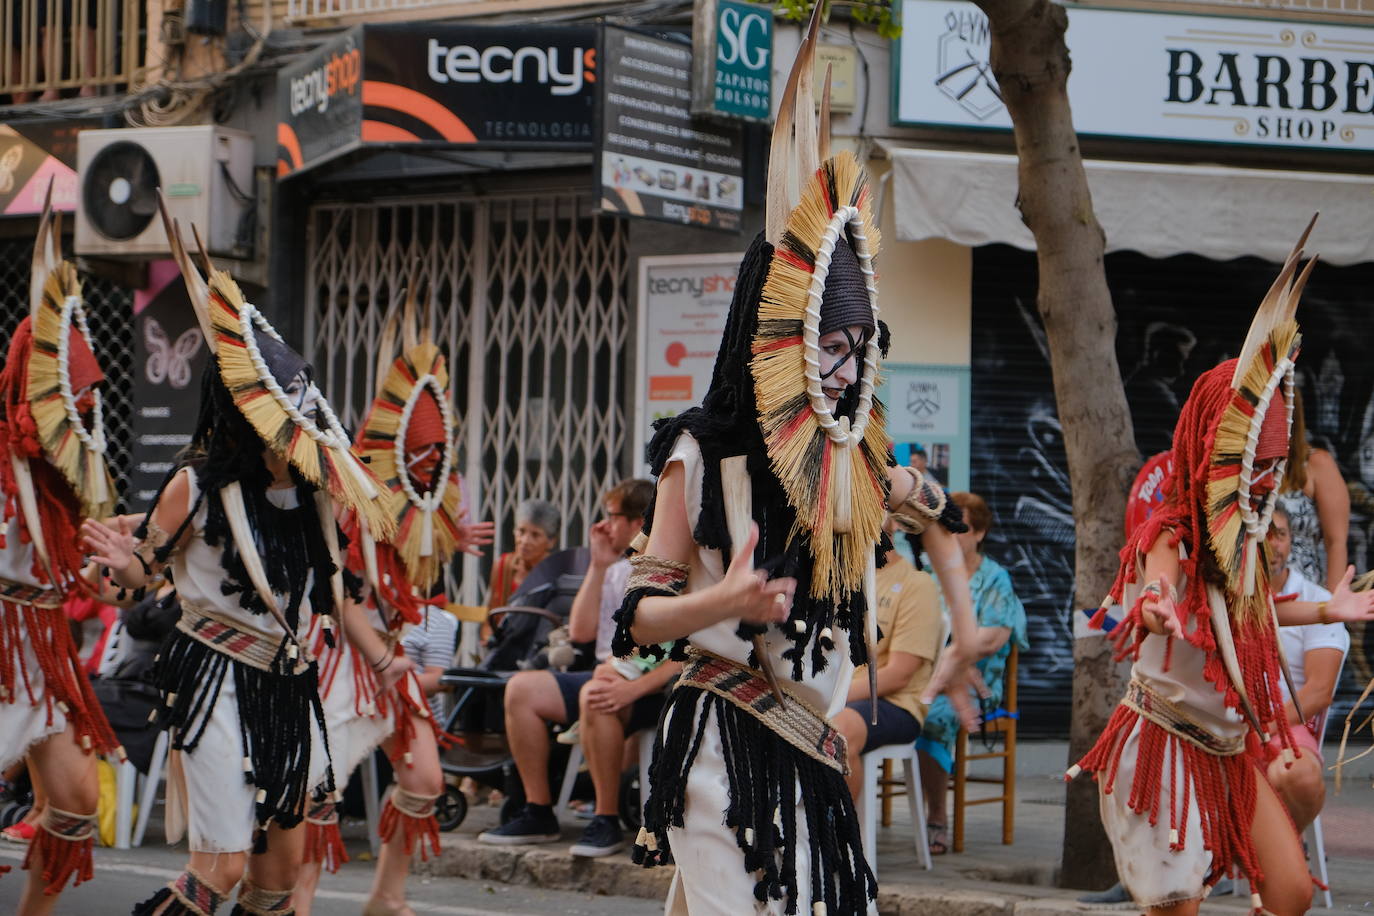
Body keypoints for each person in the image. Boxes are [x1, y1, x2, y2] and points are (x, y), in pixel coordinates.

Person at [610, 20, 979, 913]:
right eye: (832, 345)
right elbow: (637, 619)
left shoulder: (857, 464)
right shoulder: (699, 455)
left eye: (860, 348)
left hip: (812, 755)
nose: (847, 368)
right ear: (777, 343)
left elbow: (945, 519)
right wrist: (724, 604)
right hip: (718, 749)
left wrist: (960, 627)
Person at [84, 214, 399, 916]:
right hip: (215, 676)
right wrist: (122, 567)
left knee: (276, 882)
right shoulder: (196, 485)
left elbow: (336, 586)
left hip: (287, 686)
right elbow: (143, 573)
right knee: (220, 869)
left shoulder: (316, 494)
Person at [1069, 230, 1374, 916]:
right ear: (1215, 457)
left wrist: (1332, 610)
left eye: (1273, 469)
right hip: (1163, 743)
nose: (1267, 484)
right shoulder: (1172, 533)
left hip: (1229, 750)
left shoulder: (1247, 545)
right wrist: (1154, 603)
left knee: (1291, 894)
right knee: (1177, 907)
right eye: (1254, 469)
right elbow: (1158, 582)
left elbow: (1256, 616)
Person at [294, 302, 492, 916]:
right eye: (422, 452)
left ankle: (386, 895)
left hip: (387, 660)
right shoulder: (353, 502)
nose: (433, 465)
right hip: (339, 656)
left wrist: (453, 536)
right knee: (317, 791)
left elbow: (406, 571)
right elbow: (338, 591)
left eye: (440, 455)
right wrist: (380, 657)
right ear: (397, 447)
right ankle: (291, 901)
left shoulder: (422, 511)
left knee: (426, 782)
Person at [0, 202, 123, 915]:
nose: (83, 406)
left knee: (75, 806)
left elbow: (75, 578)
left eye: (86, 397)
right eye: (71, 396)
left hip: (46, 652)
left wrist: (112, 577)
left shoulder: (64, 486)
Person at [477, 478, 663, 849]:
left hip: (652, 683)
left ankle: (605, 817)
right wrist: (597, 566)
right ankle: (537, 810)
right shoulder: (613, 568)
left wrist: (633, 688)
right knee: (521, 689)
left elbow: (685, 648)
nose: (604, 526)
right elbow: (579, 633)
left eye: (611, 517)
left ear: (637, 521)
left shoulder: (663, 569)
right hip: (604, 670)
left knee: (597, 693)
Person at [916, 491, 1028, 855]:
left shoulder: (996, 579)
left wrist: (953, 657)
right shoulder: (931, 573)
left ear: (979, 533)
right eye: (948, 530)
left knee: (929, 715)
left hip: (977, 682)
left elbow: (991, 639)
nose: (953, 536)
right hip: (925, 674)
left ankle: (936, 817)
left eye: (961, 529)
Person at [835, 525, 944, 802]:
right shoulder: (841, 578)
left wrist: (833, 698)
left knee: (839, 730)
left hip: (895, 703)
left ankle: (839, 840)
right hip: (842, 696)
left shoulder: (916, 584)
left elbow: (898, 675)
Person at [1266, 505, 1347, 833]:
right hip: (1224, 724)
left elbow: (1319, 692)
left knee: (1299, 775)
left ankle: (1282, 847)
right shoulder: (1221, 597)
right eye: (1264, 533)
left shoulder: (1318, 599)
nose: (1273, 544)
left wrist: (1263, 729)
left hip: (1286, 725)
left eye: (1281, 535)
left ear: (1290, 542)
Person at [1276, 390, 1349, 593]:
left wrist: (1333, 605)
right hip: (1255, 594)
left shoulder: (1316, 463)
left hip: (1305, 591)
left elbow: (1336, 542)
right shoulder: (1245, 465)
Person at [487, 499, 560, 610]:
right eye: (521, 531)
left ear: (551, 542)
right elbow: (492, 615)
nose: (525, 541)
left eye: (535, 535)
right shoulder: (503, 565)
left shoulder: (557, 574)